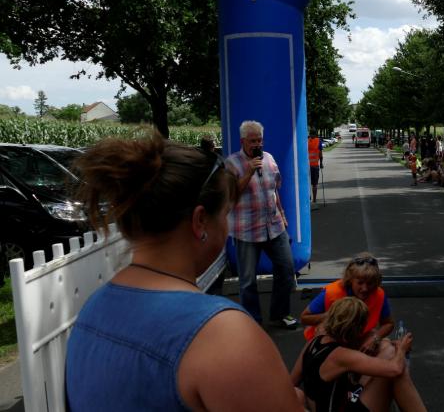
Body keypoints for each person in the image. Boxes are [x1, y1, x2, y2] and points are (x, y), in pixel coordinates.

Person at [65, 134, 303, 411]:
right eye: (225, 213)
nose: (226, 226)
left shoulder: (92, 310)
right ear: (200, 221)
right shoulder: (223, 333)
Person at [291, 297, 427, 412]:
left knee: (387, 348)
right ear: (356, 329)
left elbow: (292, 381)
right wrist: (402, 349)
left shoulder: (314, 342)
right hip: (344, 407)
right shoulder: (341, 356)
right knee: (397, 370)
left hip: (329, 403)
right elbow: (395, 369)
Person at [226, 120, 298, 328]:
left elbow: (273, 190)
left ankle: (280, 314)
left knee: (286, 269)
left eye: (259, 140)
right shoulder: (231, 163)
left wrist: (282, 214)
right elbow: (230, 195)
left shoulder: (269, 158)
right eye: (252, 141)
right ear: (242, 141)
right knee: (248, 280)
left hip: (273, 225)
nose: (257, 144)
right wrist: (248, 171)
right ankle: (253, 321)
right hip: (246, 230)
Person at [300, 253, 394, 349]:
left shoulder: (379, 294)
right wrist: (330, 316)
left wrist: (375, 338)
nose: (365, 288)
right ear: (350, 280)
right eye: (360, 283)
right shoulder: (332, 293)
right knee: (323, 329)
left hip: (356, 340)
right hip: (327, 342)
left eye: (370, 283)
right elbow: (304, 318)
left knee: (385, 345)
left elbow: (388, 323)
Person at [308, 128, 324, 204]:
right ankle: (314, 200)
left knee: (307, 183)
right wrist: (321, 163)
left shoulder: (306, 141)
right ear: (316, 134)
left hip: (307, 166)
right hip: (315, 166)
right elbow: (320, 153)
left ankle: (309, 198)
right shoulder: (318, 141)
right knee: (314, 184)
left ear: (310, 134)